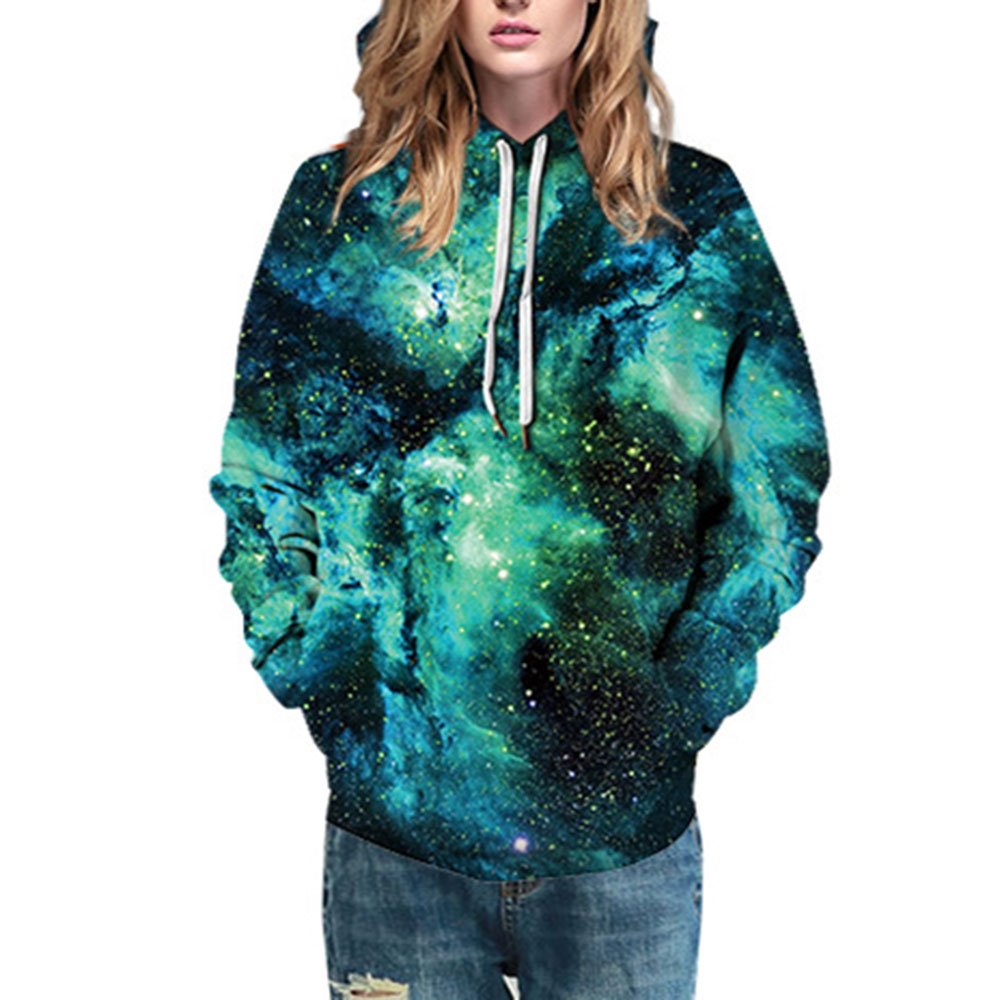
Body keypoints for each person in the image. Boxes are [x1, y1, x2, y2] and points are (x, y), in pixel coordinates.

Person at [208, 0, 831, 996]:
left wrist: (678, 700)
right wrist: (325, 674)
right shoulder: (343, 205)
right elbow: (266, 473)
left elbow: (772, 489)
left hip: (622, 846)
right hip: (394, 835)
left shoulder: (693, 216)